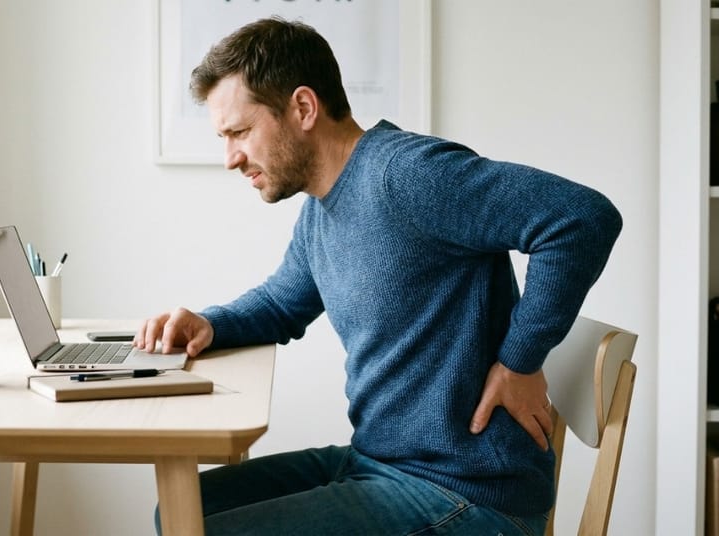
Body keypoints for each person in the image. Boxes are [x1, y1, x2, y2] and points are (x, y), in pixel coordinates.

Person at [134, 16, 621, 536]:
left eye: (240, 132)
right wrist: (209, 324)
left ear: (303, 108)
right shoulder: (322, 209)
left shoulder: (408, 175)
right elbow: (280, 304)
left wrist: (520, 360)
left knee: (203, 531)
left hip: (467, 490)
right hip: (379, 462)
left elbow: (581, 219)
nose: (231, 158)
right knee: (182, 511)